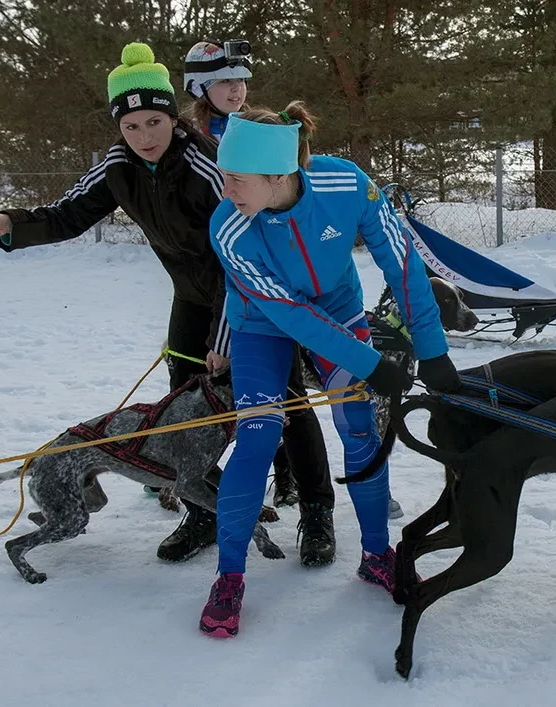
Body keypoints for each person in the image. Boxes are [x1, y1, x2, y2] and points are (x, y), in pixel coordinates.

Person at [0, 43, 335, 566]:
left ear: (173, 117)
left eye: (155, 121)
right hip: (191, 298)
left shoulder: (207, 166)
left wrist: (225, 339)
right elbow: (67, 213)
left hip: (254, 295)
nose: (144, 136)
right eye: (131, 127)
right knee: (184, 410)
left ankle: (316, 513)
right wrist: (9, 224)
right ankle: (202, 513)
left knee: (284, 403)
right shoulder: (119, 166)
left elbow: (242, 255)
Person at [198, 102, 462, 638]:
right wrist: (372, 363)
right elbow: (289, 313)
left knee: (360, 425)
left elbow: (403, 261)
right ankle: (229, 576)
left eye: (237, 179)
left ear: (280, 175)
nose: (227, 190)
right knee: (256, 436)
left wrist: (432, 350)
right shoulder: (229, 224)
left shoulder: (346, 184)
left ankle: (376, 553)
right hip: (261, 325)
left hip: (339, 310)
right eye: (225, 177)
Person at [181, 37, 342, 559]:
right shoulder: (189, 142)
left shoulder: (256, 130)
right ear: (202, 88)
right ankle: (199, 497)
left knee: (287, 399)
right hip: (204, 288)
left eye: (242, 80)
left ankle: (313, 502)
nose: (238, 89)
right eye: (226, 81)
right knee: (198, 391)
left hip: (259, 293)